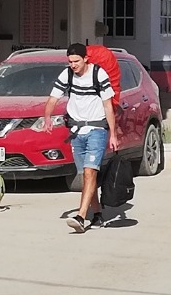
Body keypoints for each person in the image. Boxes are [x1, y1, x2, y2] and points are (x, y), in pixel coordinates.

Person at [42, 42, 117, 233]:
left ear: (85, 59)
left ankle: (81, 216)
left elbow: (108, 106)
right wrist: (47, 117)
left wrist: (113, 134)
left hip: (97, 129)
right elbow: (53, 98)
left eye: (76, 61)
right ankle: (97, 214)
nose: (73, 65)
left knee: (90, 172)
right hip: (76, 131)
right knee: (86, 176)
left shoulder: (98, 74)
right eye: (70, 61)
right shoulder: (67, 75)